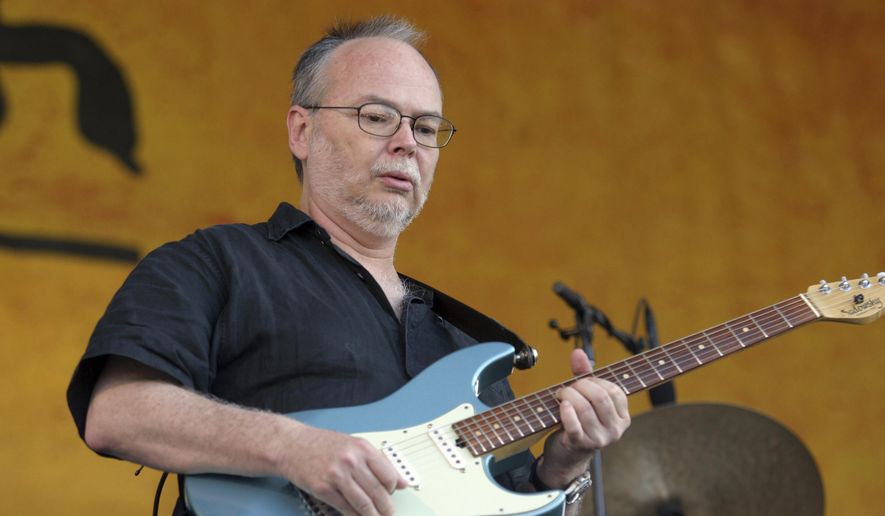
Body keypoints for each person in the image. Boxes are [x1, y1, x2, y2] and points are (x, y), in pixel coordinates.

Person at [67, 16, 630, 516]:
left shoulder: (467, 347)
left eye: (427, 128)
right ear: (302, 130)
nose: (408, 143)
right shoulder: (219, 261)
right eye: (378, 116)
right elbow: (118, 413)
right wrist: (294, 446)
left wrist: (560, 467)